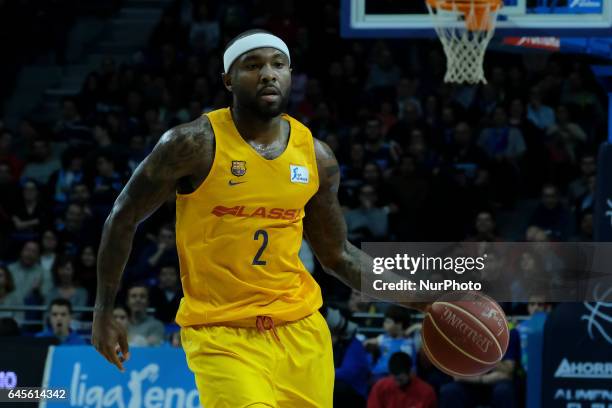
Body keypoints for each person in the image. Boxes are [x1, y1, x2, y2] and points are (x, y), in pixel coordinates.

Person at [91, 29, 427, 407]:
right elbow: (122, 216)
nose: (268, 73)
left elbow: (339, 256)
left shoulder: (316, 156)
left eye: (277, 64)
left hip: (301, 333)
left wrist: (426, 300)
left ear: (289, 75)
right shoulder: (192, 144)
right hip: (222, 334)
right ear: (228, 81)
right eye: (253, 65)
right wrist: (103, 309)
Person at [368, 351, 437, 408]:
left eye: (400, 380)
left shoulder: (426, 392)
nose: (397, 383)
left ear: (411, 373)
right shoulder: (380, 388)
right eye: (394, 379)